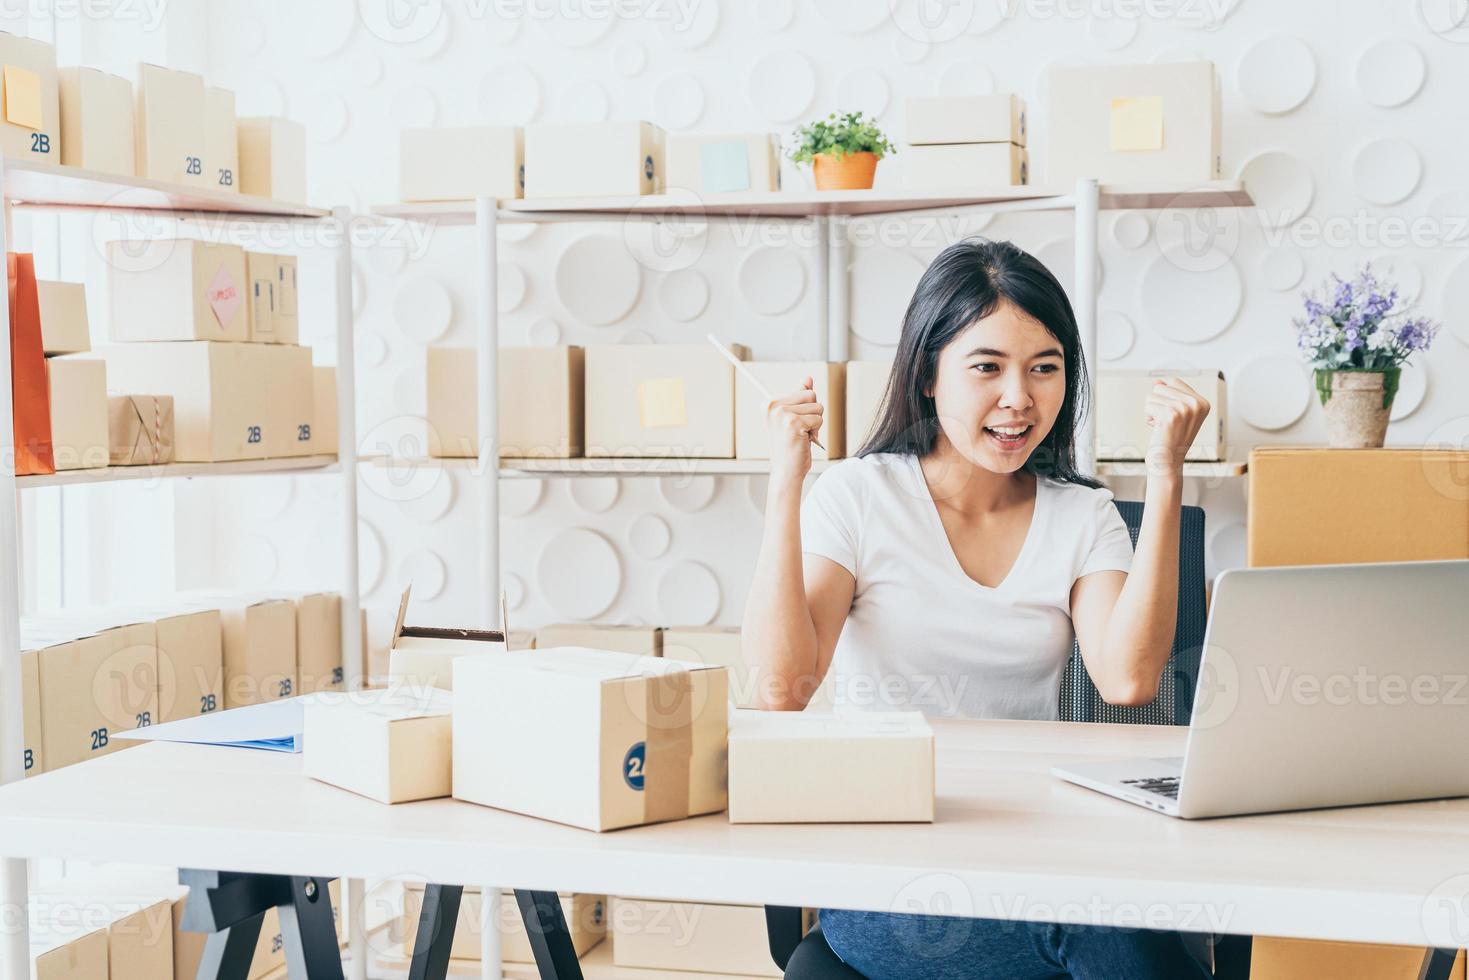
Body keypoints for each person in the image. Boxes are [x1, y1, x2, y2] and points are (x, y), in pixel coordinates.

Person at [740, 238, 1214, 979]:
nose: (1019, 398)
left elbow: (1127, 680)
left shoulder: (1080, 514)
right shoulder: (857, 497)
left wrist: (1163, 474)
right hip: (892, 863)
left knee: (1113, 928)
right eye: (986, 367)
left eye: (1044, 369)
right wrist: (784, 482)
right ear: (929, 375)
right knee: (1116, 942)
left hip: (1033, 850)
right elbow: (781, 690)